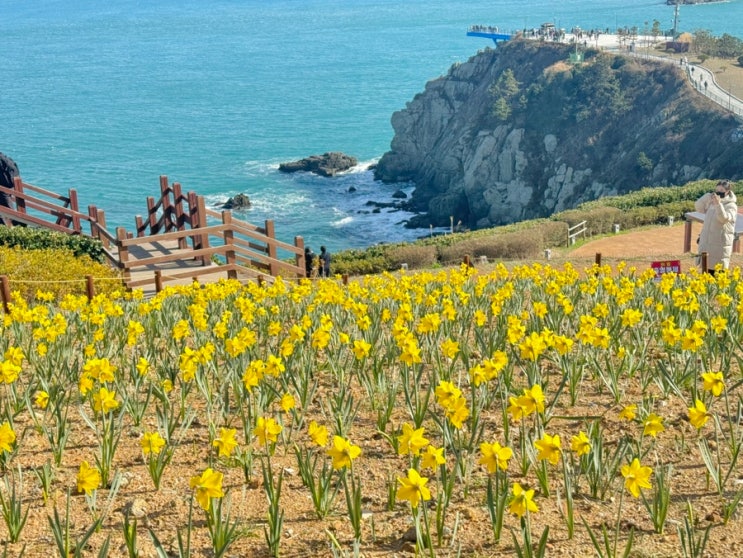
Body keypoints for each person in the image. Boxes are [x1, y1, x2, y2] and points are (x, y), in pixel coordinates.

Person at [695, 179, 737, 274]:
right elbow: (698, 208)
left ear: (728, 192)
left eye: (721, 190)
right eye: (717, 190)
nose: (718, 193)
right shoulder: (711, 203)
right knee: (706, 274)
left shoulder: (731, 206)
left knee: (717, 274)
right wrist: (706, 197)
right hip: (707, 244)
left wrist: (718, 204)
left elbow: (724, 218)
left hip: (719, 246)